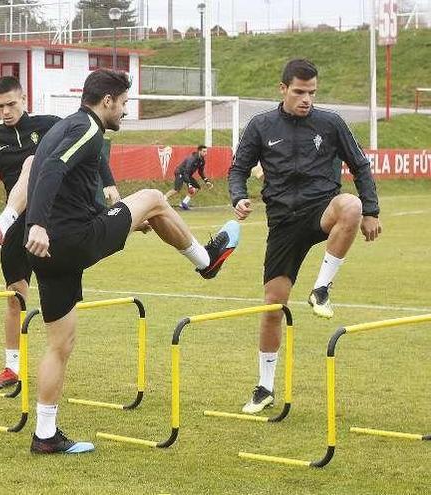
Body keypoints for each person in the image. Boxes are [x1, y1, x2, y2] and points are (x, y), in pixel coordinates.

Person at [24, 69, 240, 454]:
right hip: (68, 239)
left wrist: (119, 220)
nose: (125, 111)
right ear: (107, 101)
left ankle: (44, 435)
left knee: (60, 344)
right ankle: (206, 260)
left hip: (49, 253)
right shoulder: (88, 130)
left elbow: (65, 184)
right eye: (123, 103)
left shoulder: (64, 127)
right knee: (155, 197)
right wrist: (38, 222)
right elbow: (53, 170)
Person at [0, 76, 119, 390]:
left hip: (55, 220)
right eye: (0, 106)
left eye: (11, 104)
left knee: (33, 161)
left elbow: (92, 149)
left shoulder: (51, 124)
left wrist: (108, 184)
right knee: (15, 298)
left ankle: (58, 352)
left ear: (24, 99)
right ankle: (12, 368)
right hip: (20, 228)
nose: (6, 111)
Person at [228, 58, 381, 414]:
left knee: (352, 207)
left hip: (321, 208)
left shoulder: (331, 123)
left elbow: (360, 165)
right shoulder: (261, 125)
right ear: (283, 89)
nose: (306, 98)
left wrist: (371, 211)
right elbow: (237, 168)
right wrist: (238, 196)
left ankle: (322, 288)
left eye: (311, 92)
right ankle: (264, 387)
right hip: (282, 222)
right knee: (272, 307)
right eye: (299, 92)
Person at [164, 144, 212, 210]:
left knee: (197, 187)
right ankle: (163, 199)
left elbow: (200, 172)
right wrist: (189, 185)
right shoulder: (192, 159)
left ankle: (184, 203)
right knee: (176, 189)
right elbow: (185, 172)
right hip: (180, 172)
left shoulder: (202, 160)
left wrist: (206, 181)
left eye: (206, 151)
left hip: (187, 174)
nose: (206, 153)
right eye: (204, 151)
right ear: (199, 151)